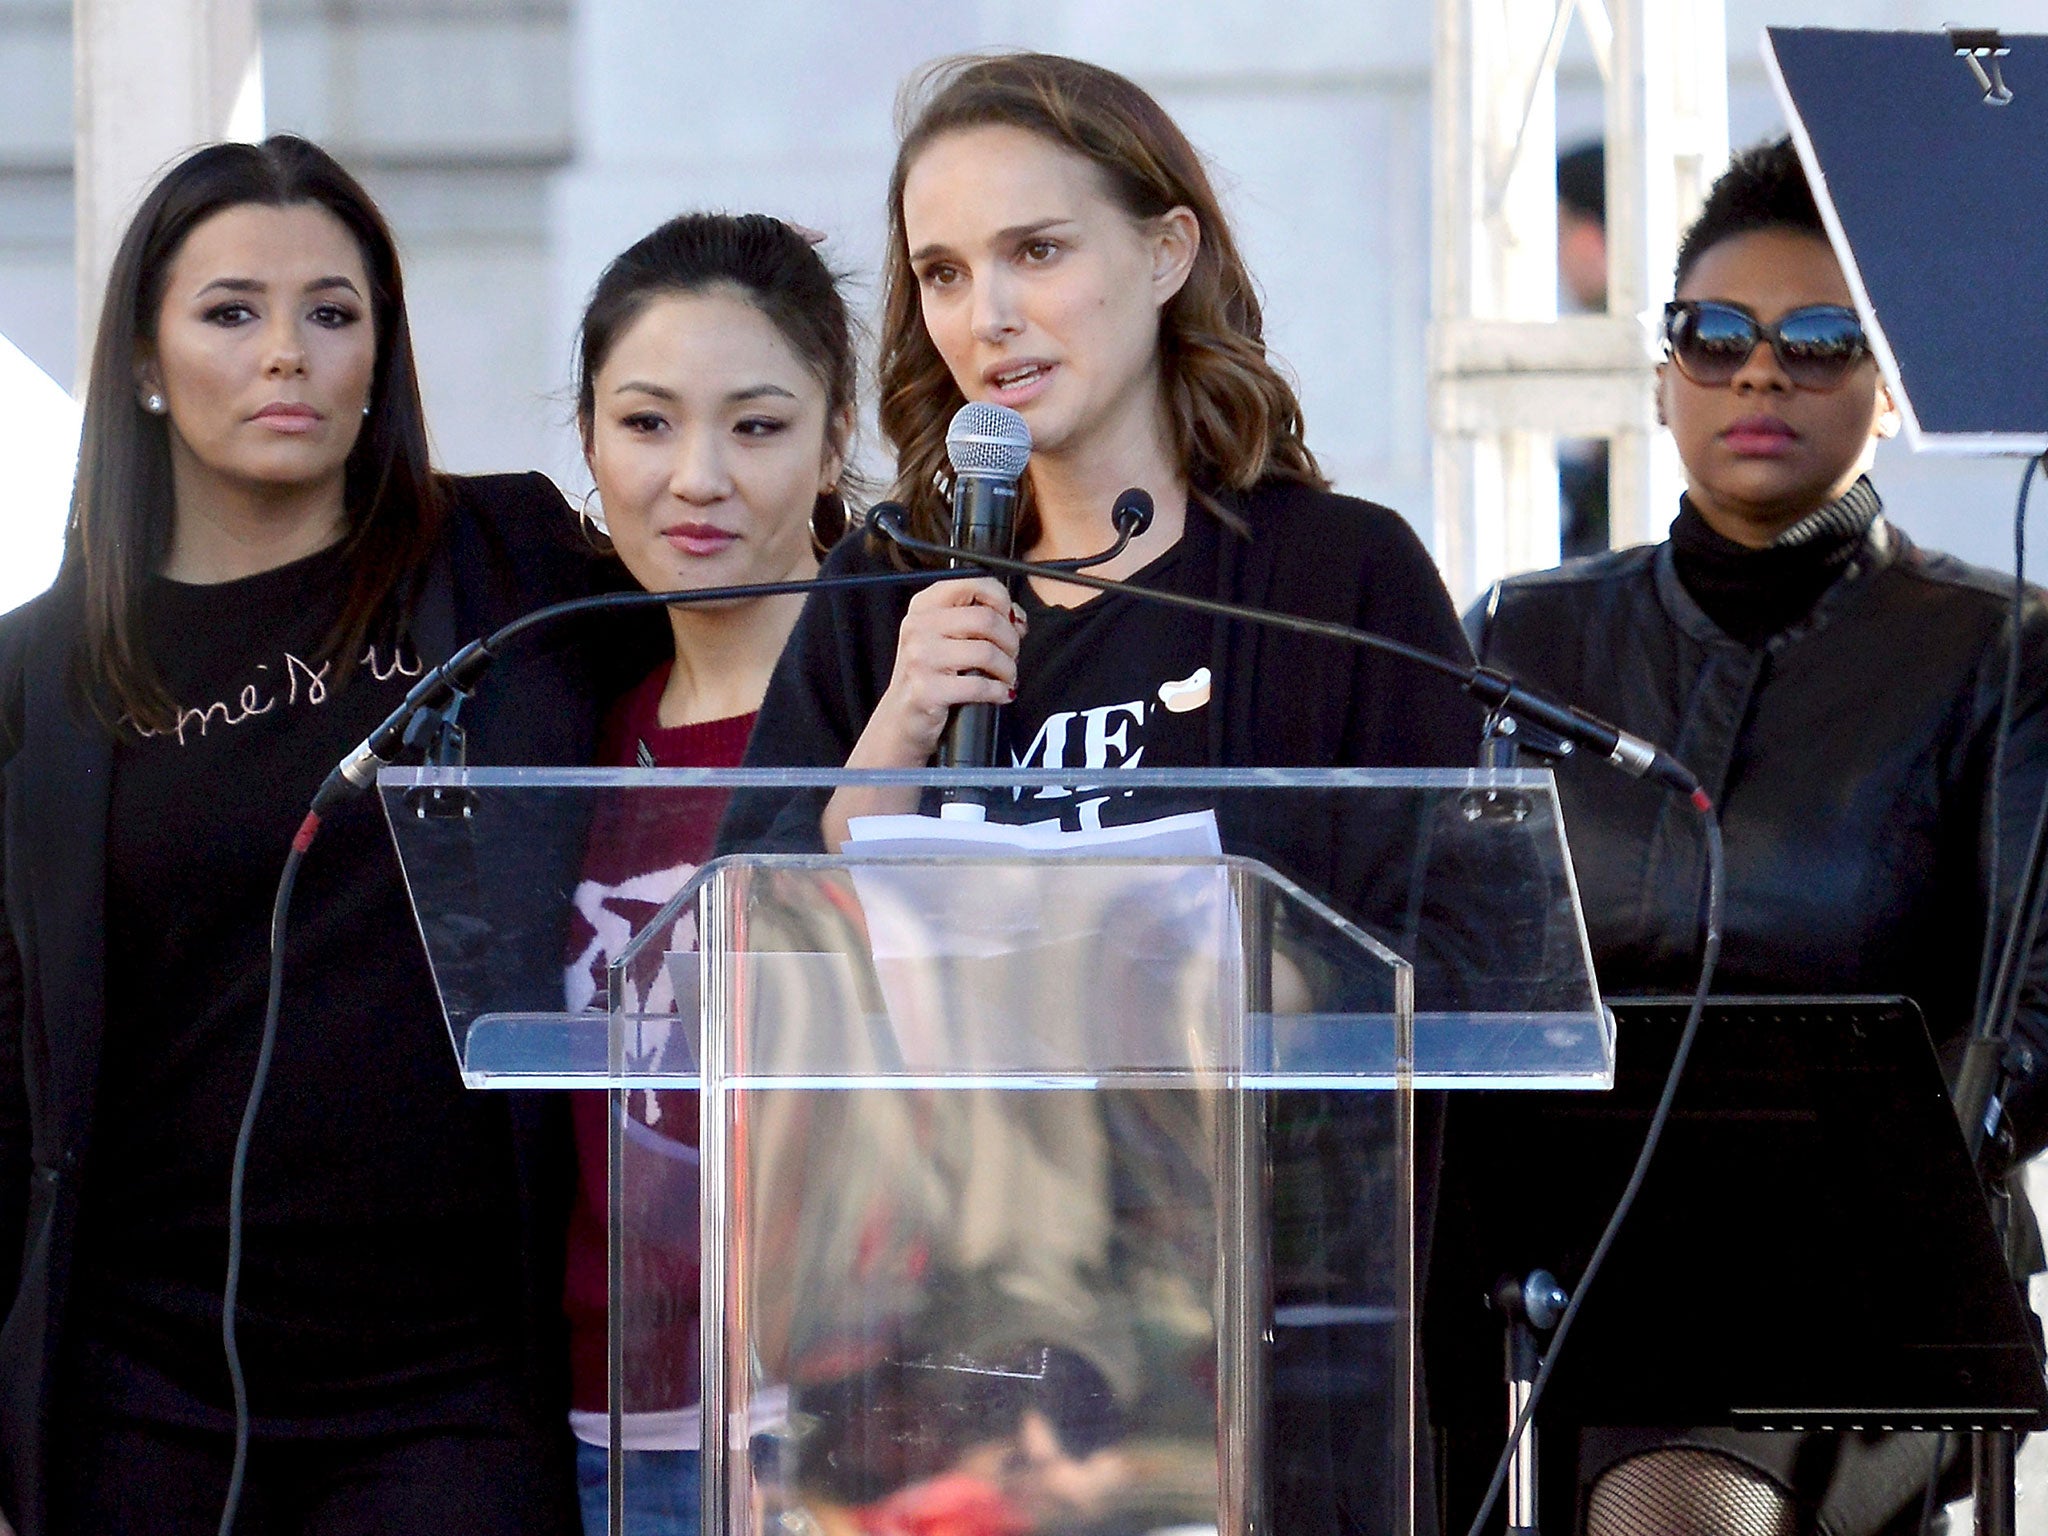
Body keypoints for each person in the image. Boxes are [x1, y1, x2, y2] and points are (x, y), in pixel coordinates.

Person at [723, 50, 1482, 1536]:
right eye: (943, 272)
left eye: (1037, 251)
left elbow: (1447, 962)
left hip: (1273, 1355)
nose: (984, 315)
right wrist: (887, 741)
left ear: (1166, 249)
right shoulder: (888, 593)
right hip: (946, 1374)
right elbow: (749, 969)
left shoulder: (1333, 582)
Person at [0, 135, 656, 1536]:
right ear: (142, 364)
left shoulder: (508, 561)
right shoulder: (35, 685)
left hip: (455, 1382)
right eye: (232, 310)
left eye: (333, 313)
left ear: (380, 357)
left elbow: (763, 628)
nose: (287, 353)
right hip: (141, 1383)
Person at [1466, 137, 2048, 1536]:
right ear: (1663, 371)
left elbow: (2035, 1021)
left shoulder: (1997, 650)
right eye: (1713, 336)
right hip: (1562, 1261)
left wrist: (1878, 1159)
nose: (1760, 374)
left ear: (1889, 385)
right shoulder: (1523, 634)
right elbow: (1454, 954)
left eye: (1821, 341)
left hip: (1865, 1284)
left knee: (1675, 1513)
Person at [555, 211, 857, 1536]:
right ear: (588, 441)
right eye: (646, 422)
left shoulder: (909, 717)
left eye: (756, 425)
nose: (696, 477)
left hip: (861, 1418)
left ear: (837, 438)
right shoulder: (567, 732)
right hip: (607, 1428)